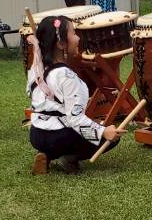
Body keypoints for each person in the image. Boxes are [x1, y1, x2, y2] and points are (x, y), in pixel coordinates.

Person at [27, 14, 119, 175]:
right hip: (59, 137)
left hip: (36, 134)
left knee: (88, 123)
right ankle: (67, 158)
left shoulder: (36, 70)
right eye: (73, 33)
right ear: (62, 44)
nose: (77, 38)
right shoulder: (67, 77)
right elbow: (75, 119)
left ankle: (47, 154)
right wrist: (103, 132)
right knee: (112, 137)